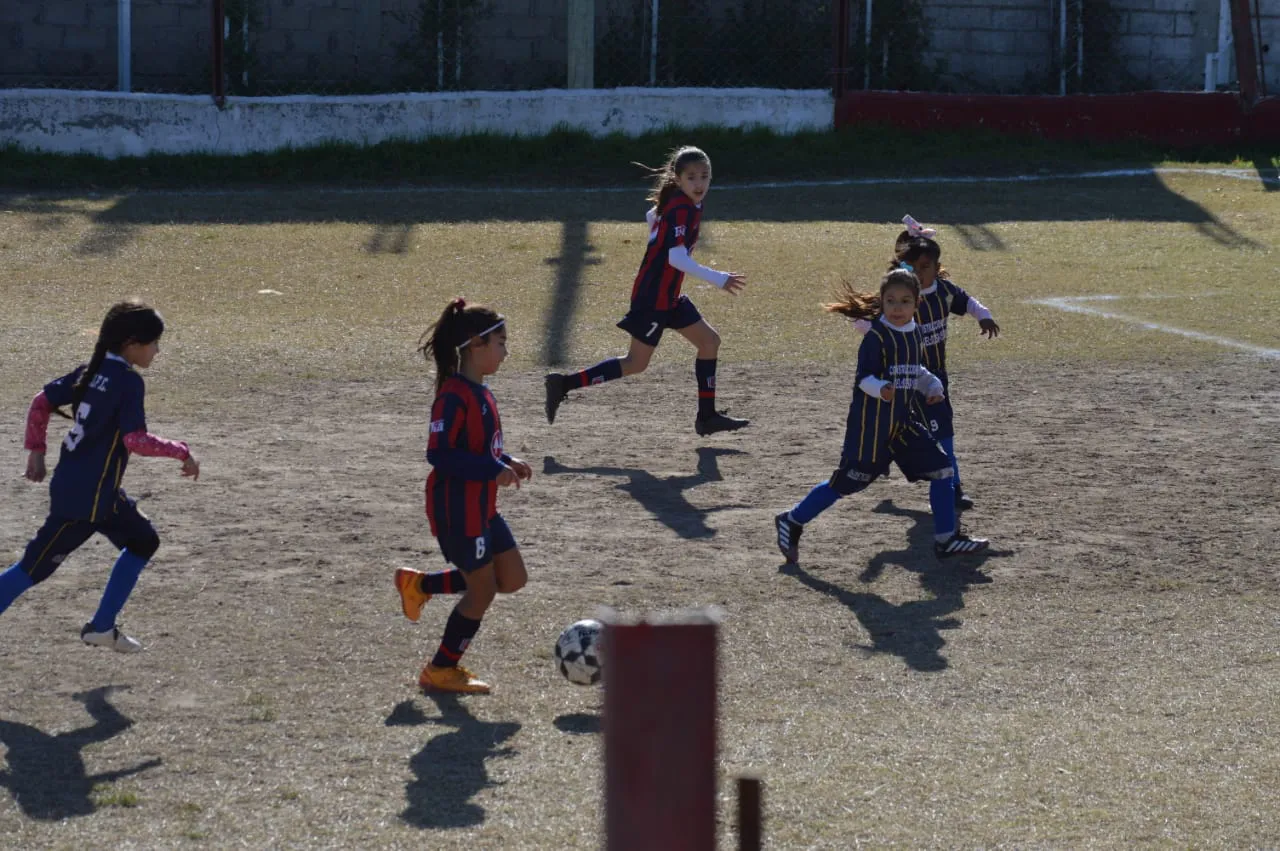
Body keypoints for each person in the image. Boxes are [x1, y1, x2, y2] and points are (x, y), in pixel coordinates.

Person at [0, 301, 200, 651]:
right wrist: (181, 451)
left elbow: (40, 402)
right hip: (84, 501)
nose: (157, 350)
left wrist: (37, 450)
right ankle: (101, 626)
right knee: (31, 570)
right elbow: (135, 440)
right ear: (132, 343)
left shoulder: (89, 371)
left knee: (143, 541)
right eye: (154, 342)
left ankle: (102, 627)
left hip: (95, 491)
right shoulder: (128, 382)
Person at [773, 269, 990, 563]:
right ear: (882, 303)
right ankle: (792, 519)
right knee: (848, 484)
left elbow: (914, 370)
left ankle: (946, 539)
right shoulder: (876, 337)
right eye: (890, 301)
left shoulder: (914, 331)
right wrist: (881, 388)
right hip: (870, 428)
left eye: (904, 301)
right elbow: (863, 378)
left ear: (917, 305)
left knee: (943, 469)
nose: (897, 308)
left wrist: (931, 385)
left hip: (903, 424)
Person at [544, 145, 750, 436]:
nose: (699, 183)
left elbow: (651, 215)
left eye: (705, 176)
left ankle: (707, 417)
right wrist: (719, 278)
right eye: (691, 177)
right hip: (653, 298)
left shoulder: (685, 203)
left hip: (669, 296)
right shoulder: (681, 207)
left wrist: (658, 230)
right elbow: (676, 258)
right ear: (678, 180)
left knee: (709, 342)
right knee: (635, 364)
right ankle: (563, 384)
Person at [394, 298, 532, 695]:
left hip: (483, 507)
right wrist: (493, 469)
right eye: (501, 343)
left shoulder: (481, 392)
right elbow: (439, 453)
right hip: (457, 510)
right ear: (476, 345)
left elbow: (478, 448)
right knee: (483, 589)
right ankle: (441, 669)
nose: (506, 351)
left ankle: (420, 586)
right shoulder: (453, 395)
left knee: (512, 578)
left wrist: (506, 459)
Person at [853, 215, 1001, 510]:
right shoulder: (901, 297)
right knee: (926, 429)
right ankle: (943, 482)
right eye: (915, 267)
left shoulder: (945, 292)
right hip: (904, 376)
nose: (921, 274)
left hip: (935, 377)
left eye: (926, 268)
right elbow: (864, 321)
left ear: (937, 267)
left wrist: (983, 315)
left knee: (932, 431)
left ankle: (944, 483)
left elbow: (968, 301)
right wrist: (877, 335)